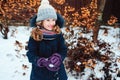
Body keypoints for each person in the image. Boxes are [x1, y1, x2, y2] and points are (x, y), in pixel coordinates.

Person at [26, 0, 68, 80]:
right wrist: (40, 61)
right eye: (48, 20)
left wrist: (58, 57)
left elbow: (63, 49)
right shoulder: (35, 36)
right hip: (40, 74)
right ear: (41, 22)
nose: (51, 23)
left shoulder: (58, 34)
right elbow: (30, 54)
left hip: (57, 72)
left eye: (53, 20)